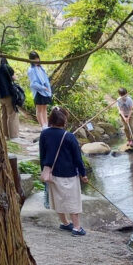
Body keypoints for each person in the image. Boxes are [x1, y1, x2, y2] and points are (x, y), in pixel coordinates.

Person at [39, 106, 88, 236]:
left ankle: (65, 223)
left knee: (57, 198)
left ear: (51, 119)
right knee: (73, 200)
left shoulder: (44, 134)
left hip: (51, 173)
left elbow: (42, 155)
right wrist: (83, 174)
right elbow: (78, 159)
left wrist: (44, 172)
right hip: (68, 174)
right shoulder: (69, 136)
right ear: (64, 120)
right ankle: (77, 228)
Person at [0, 55, 19, 139]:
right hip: (9, 94)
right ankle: (13, 136)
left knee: (4, 115)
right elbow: (14, 78)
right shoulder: (6, 67)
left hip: (0, 95)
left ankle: (5, 134)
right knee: (12, 114)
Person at [27, 51, 53, 129]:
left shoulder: (41, 68)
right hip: (38, 91)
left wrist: (48, 88)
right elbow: (33, 84)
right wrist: (42, 87)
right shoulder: (31, 70)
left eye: (37, 59)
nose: (36, 61)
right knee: (39, 109)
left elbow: (46, 79)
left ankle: (46, 125)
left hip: (45, 91)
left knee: (44, 108)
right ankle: (43, 126)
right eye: (34, 59)